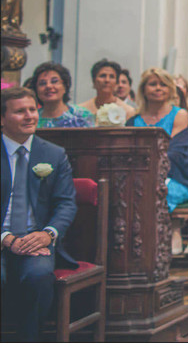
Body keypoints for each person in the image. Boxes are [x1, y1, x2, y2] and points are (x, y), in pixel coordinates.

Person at [0, 87, 78, 342]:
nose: (29, 116)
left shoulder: (53, 154)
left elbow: (66, 203)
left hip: (36, 241)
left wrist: (48, 234)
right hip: (2, 238)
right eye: (20, 111)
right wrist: (7, 239)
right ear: (2, 118)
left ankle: (28, 344)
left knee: (38, 276)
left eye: (32, 110)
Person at [128, 68, 188, 211]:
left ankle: (153, 232)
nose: (158, 88)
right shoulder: (134, 119)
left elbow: (175, 152)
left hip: (174, 178)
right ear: (144, 89)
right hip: (139, 178)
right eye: (153, 84)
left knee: (156, 193)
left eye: (163, 84)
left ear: (170, 89)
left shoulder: (179, 115)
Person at [25, 62, 93, 127]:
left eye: (54, 81)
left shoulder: (82, 115)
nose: (48, 86)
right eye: (42, 83)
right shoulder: (31, 119)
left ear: (65, 86)